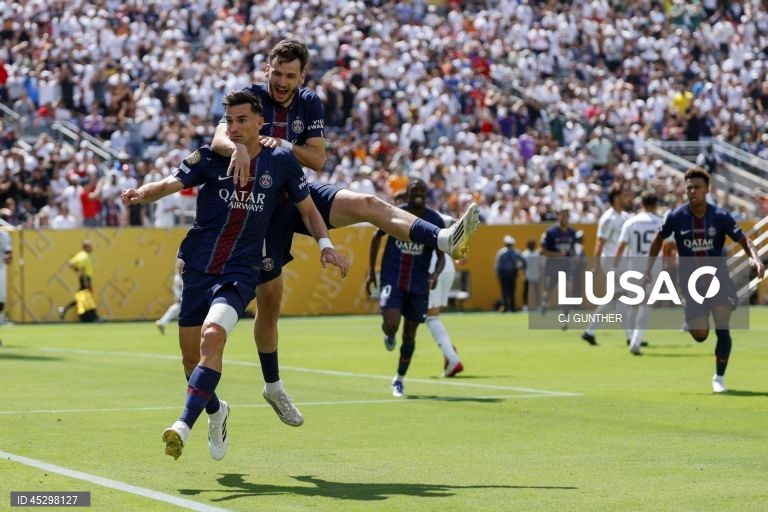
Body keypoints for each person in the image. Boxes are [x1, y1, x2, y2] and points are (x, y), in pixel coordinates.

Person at [210, 40, 479, 412]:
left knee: (368, 203)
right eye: (277, 74)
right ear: (267, 70)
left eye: (291, 76)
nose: (283, 82)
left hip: (297, 194)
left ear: (302, 76)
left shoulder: (309, 102)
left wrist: (282, 145)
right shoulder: (252, 97)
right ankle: (273, 386)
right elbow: (218, 137)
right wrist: (240, 146)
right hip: (260, 209)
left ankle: (444, 238)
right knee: (270, 301)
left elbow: (317, 158)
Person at [121, 89, 349, 460]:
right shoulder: (211, 158)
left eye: (243, 120)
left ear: (261, 122)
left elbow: (308, 210)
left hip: (241, 270)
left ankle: (181, 425)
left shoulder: (281, 162)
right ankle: (216, 411)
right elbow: (168, 184)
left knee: (214, 335)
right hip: (199, 266)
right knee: (190, 361)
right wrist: (141, 194)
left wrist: (326, 246)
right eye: (230, 120)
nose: (235, 127)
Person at [644, 167, 765, 393]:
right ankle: (691, 310)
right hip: (690, 282)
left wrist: (756, 259)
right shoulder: (676, 217)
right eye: (689, 187)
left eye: (697, 187)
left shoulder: (719, 216)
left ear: (707, 189)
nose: (692, 191)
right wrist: (648, 270)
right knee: (700, 335)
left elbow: (744, 240)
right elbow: (658, 240)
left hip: (717, 279)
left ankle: (719, 378)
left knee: (722, 325)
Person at [365, 179, 445, 397]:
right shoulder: (394, 213)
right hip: (393, 278)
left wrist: (436, 274)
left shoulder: (434, 220)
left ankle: (399, 379)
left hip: (419, 283)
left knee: (410, 334)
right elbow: (376, 238)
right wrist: (372, 271)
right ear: (407, 194)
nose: (418, 194)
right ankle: (389, 334)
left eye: (421, 191)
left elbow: (441, 255)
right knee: (391, 323)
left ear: (426, 194)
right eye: (413, 191)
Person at [581, 183, 632, 345]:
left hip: (620, 261)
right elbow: (599, 242)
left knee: (619, 299)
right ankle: (590, 330)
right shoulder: (608, 218)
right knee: (616, 296)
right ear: (616, 198)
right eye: (623, 195)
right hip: (611, 261)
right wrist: (596, 264)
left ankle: (630, 336)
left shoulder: (624, 216)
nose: (626, 198)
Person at [614, 190, 664, 355]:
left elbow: (620, 246)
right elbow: (671, 244)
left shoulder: (631, 222)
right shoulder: (661, 222)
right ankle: (636, 340)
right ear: (656, 205)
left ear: (641, 204)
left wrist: (614, 267)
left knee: (633, 303)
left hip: (633, 264)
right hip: (653, 265)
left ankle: (630, 335)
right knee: (646, 303)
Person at [426, 214, 464, 378]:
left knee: (430, 317)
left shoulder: (419, 213)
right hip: (447, 267)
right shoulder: (436, 215)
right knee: (432, 316)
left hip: (433, 269)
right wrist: (459, 247)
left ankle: (452, 357)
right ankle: (449, 349)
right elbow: (460, 223)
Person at [540, 204, 578, 325]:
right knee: (549, 290)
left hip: (566, 266)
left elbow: (573, 249)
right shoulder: (550, 232)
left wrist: (575, 256)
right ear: (558, 216)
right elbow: (542, 251)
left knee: (568, 290)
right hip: (553, 266)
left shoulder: (572, 232)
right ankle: (544, 303)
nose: (565, 218)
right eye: (563, 215)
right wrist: (557, 255)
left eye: (567, 215)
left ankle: (564, 318)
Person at [58, 239, 96, 320]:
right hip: (85, 278)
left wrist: (76, 269)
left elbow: (70, 263)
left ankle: (65, 309)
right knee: (88, 297)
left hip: (84, 278)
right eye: (90, 246)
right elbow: (78, 266)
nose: (92, 248)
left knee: (81, 298)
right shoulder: (84, 256)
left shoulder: (81, 254)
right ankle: (94, 317)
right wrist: (78, 270)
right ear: (86, 247)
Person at [494, 235, 525, 312]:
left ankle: (507, 308)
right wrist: (519, 268)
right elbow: (523, 263)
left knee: (505, 292)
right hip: (512, 274)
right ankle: (512, 308)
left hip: (504, 275)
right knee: (511, 292)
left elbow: (498, 265)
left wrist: (497, 274)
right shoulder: (516, 252)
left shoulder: (501, 252)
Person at [155, 258, 183, 335]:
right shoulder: (179, 277)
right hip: (182, 294)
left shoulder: (178, 276)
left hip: (181, 294)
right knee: (178, 308)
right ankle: (162, 322)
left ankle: (162, 323)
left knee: (176, 308)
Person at [521, 239, 543, 312]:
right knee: (526, 292)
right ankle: (526, 306)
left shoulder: (538, 253)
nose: (531, 246)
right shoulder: (524, 254)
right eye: (530, 245)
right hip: (528, 275)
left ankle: (538, 306)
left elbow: (541, 265)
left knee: (537, 291)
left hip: (536, 275)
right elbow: (523, 265)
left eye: (532, 245)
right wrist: (523, 274)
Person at [0, 227, 11, 325]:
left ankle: (1, 319)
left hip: (1, 268)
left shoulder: (3, 235)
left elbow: (9, 254)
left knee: (1, 298)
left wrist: (7, 257)